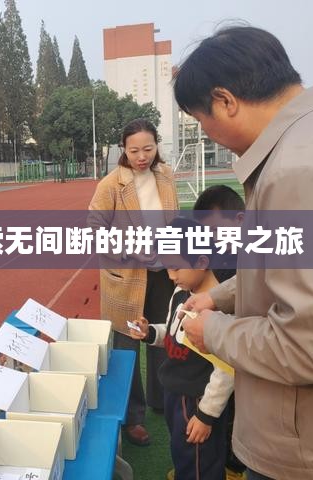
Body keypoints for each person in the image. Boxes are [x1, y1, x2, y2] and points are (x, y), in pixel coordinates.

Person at [173, 25, 313, 480]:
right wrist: (219, 296)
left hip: (312, 447)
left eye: (201, 120)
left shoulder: (298, 170)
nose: (208, 135)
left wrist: (213, 330)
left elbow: (311, 345)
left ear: (225, 100)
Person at [88, 118, 179, 446]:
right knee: (127, 348)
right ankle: (133, 417)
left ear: (156, 147)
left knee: (162, 337)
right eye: (134, 150)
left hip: (164, 275)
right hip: (126, 279)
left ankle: (161, 398)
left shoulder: (165, 176)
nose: (142, 156)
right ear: (123, 150)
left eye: (148, 149)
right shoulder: (111, 185)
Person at [130, 216, 234, 480]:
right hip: (174, 392)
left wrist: (206, 415)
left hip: (197, 398)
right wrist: (150, 333)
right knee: (183, 450)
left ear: (201, 262)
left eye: (176, 267)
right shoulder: (181, 292)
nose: (171, 275)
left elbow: (226, 370)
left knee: (200, 460)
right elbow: (173, 332)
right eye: (167, 267)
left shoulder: (219, 308)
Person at [193, 185, 246, 478]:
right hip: (225, 347)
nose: (212, 240)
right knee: (227, 409)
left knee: (240, 410)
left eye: (215, 232)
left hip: (246, 350)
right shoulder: (220, 253)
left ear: (239, 219)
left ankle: (235, 466)